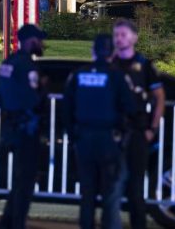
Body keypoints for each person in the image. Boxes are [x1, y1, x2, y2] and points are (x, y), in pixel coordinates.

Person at [61, 35, 136, 229]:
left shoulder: (78, 75)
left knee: (87, 194)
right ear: (113, 52)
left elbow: (66, 109)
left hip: (83, 139)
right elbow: (130, 108)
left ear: (93, 51)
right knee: (110, 194)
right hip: (108, 140)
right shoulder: (117, 76)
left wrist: (73, 136)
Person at [112, 19, 166, 229]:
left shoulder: (144, 65)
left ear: (134, 38)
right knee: (112, 188)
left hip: (137, 132)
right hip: (114, 132)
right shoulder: (111, 63)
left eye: (123, 35)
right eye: (116, 35)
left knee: (135, 189)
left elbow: (159, 97)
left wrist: (152, 128)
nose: (119, 39)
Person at [0, 25, 47, 229]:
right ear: (30, 41)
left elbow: (0, 95)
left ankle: (6, 224)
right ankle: (17, 224)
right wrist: (43, 88)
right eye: (39, 40)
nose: (42, 44)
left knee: (19, 180)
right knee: (25, 183)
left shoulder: (8, 62)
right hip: (26, 128)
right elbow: (32, 99)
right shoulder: (27, 66)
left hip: (11, 127)